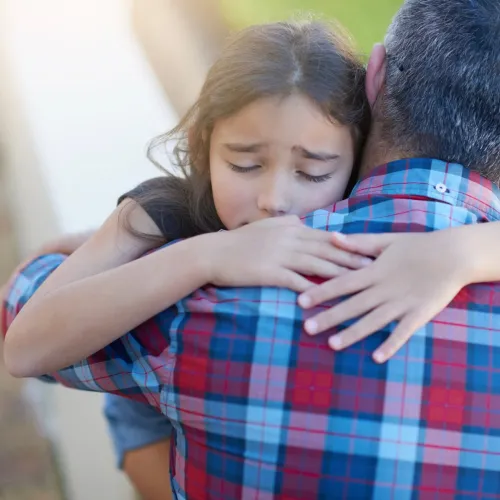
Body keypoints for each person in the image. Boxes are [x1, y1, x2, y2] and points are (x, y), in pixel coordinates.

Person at [3, 1, 500, 497]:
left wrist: (461, 253)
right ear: (203, 143)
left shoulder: (371, 230)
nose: (274, 201)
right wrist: (204, 255)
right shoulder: (163, 217)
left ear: (364, 126)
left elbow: (23, 307)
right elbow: (24, 346)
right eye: (245, 165)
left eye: (312, 172)